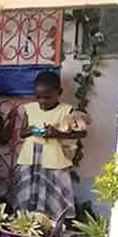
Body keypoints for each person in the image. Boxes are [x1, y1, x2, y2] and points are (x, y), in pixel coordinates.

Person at [13, 72, 86, 219]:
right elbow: (22, 133)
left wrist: (57, 133)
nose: (42, 101)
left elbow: (81, 133)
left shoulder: (66, 110)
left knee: (54, 196)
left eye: (47, 97)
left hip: (53, 161)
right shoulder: (30, 109)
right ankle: (28, 224)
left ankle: (55, 226)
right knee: (27, 197)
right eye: (38, 97)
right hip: (30, 161)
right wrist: (32, 130)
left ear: (59, 93)